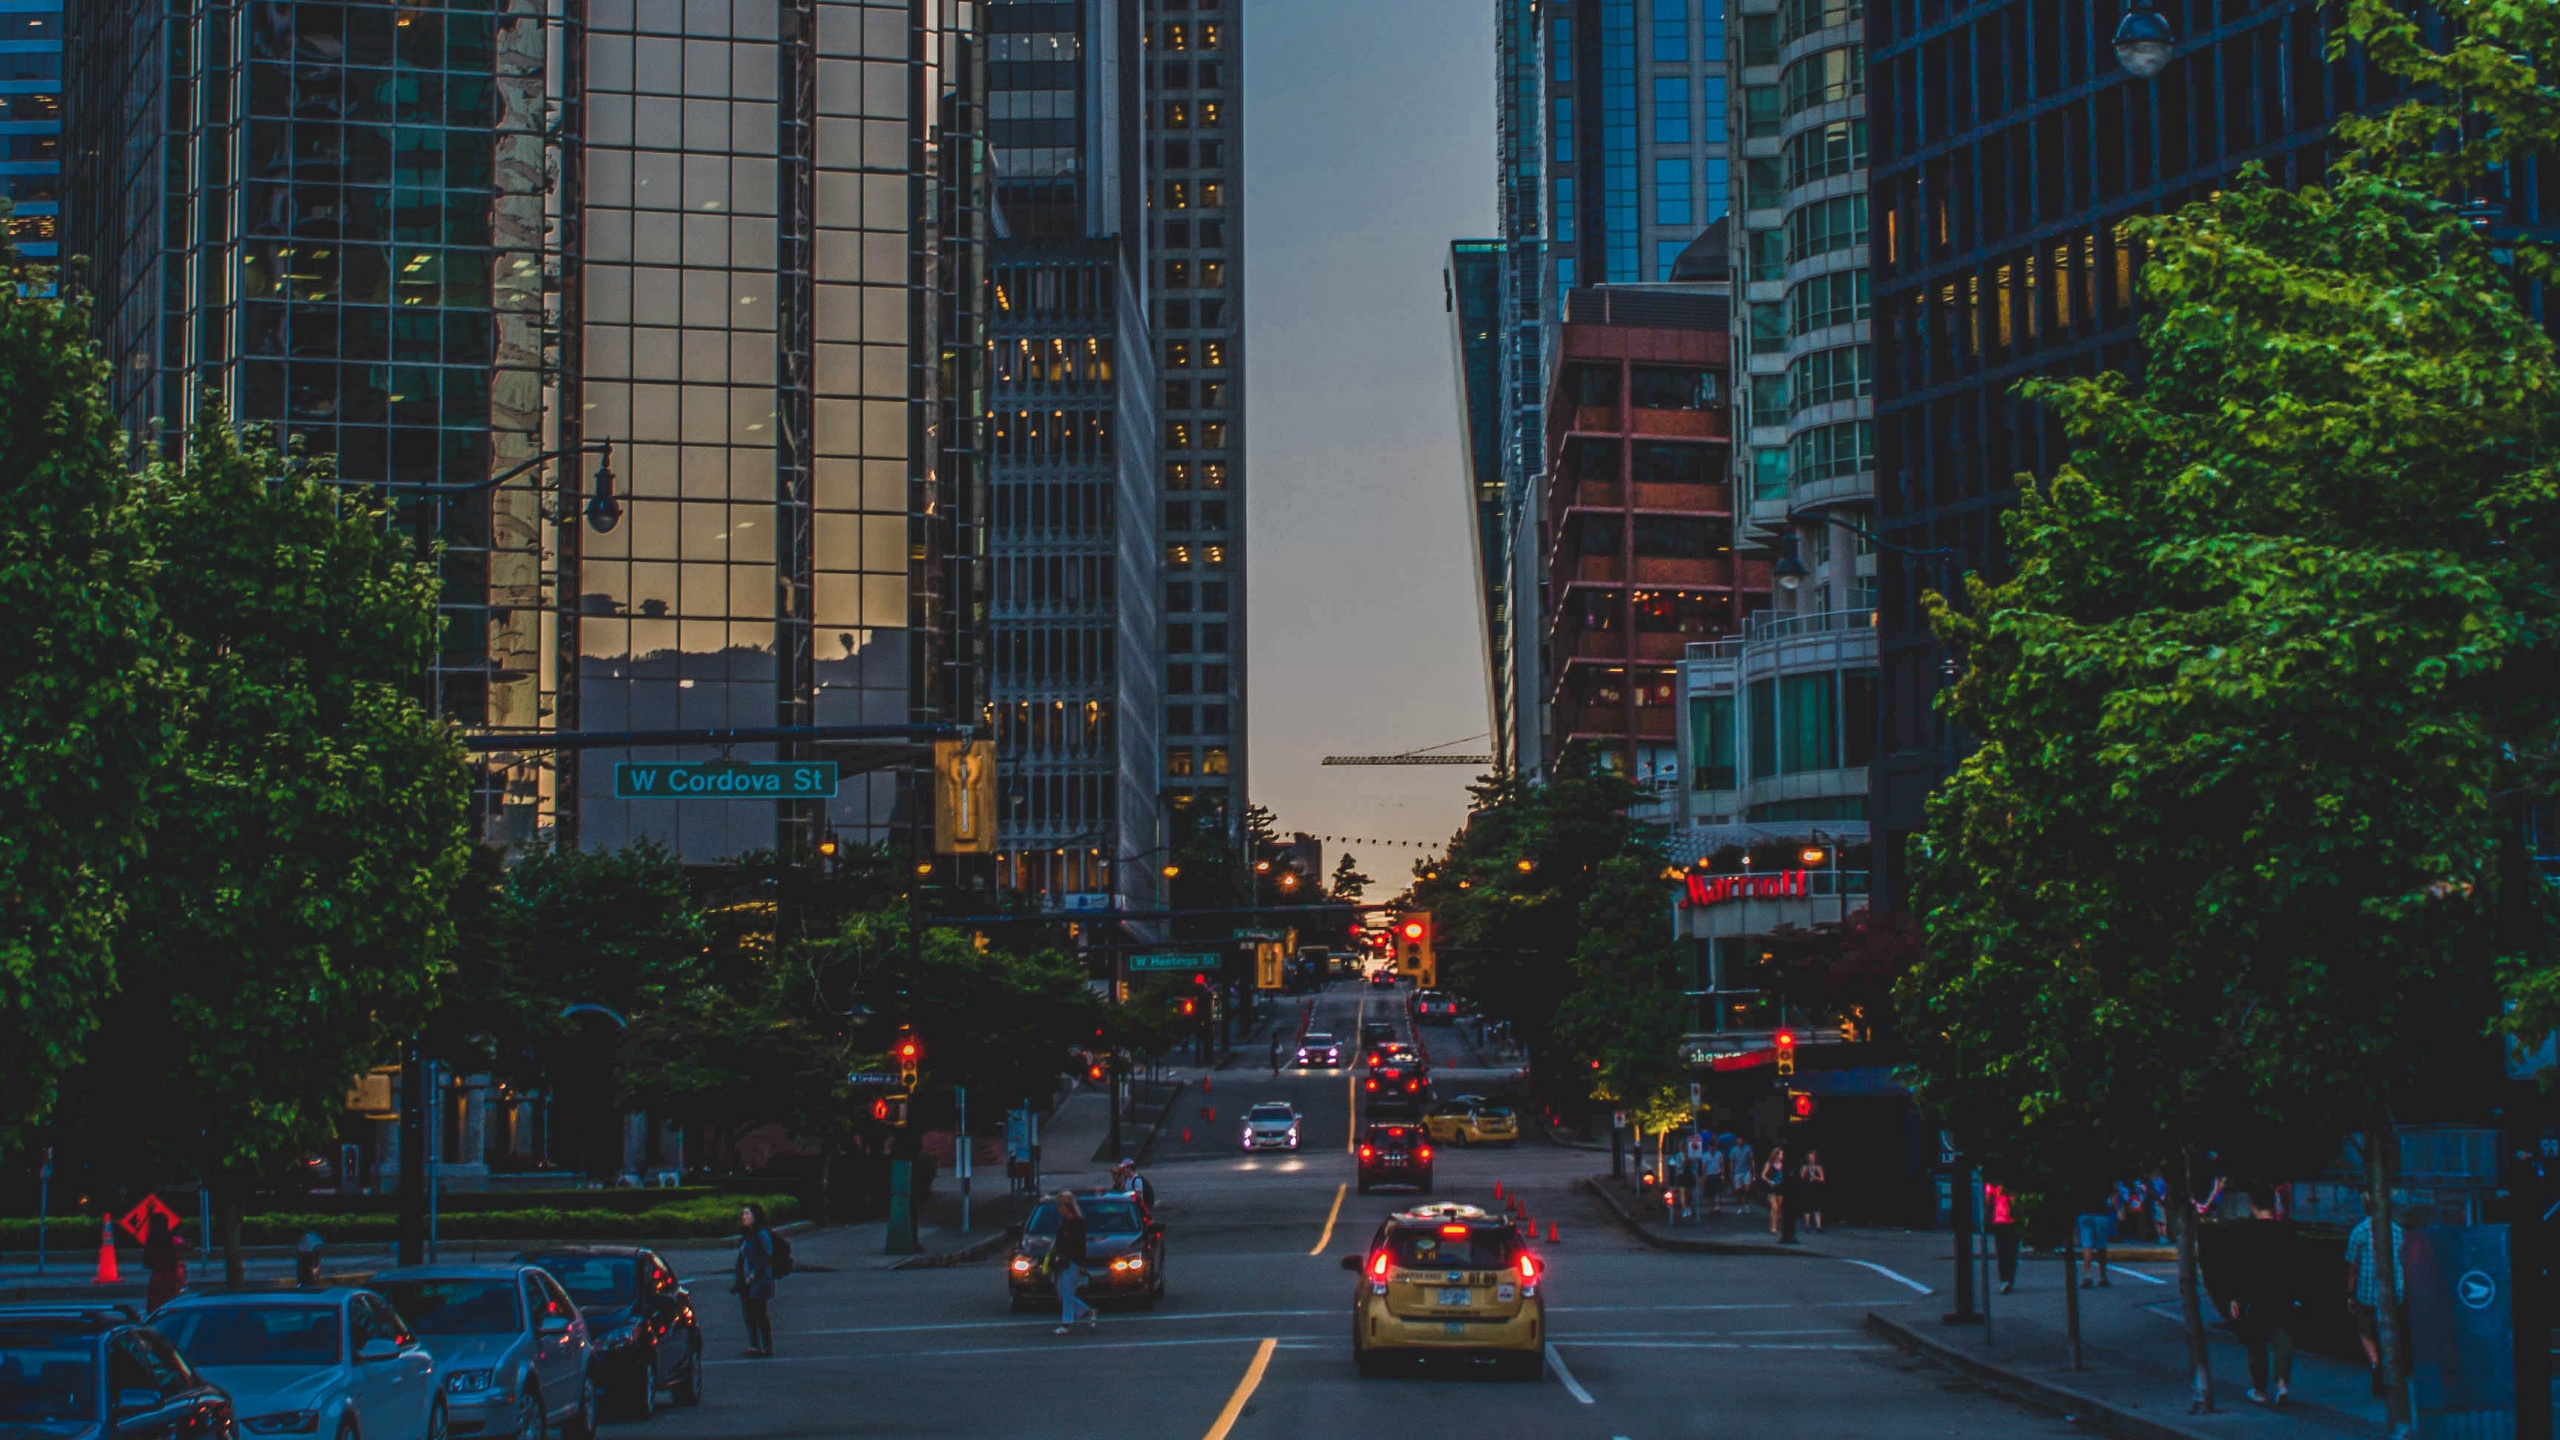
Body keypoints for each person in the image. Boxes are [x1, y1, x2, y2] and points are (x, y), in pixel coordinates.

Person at [2225, 1187, 2300, 1407]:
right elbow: (2297, 1266)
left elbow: (2239, 1268)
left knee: (2256, 1342)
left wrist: (2236, 1298)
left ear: (2252, 1206)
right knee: (2283, 1338)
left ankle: (2260, 1389)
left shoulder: (2245, 1233)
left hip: (2255, 1294)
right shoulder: (2286, 1231)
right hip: (2282, 1293)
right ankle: (2282, 1384)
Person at [2344, 1208, 2407, 1400]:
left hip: (2367, 1290)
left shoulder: (2359, 1231)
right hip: (2394, 1291)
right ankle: (2388, 1369)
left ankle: (2375, 1362)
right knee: (2389, 1331)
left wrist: (2350, 1293)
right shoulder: (2397, 1230)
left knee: (2365, 1331)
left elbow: (2352, 1265)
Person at [1050, 1191, 1099, 1335]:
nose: (1059, 1209)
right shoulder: (1064, 1222)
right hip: (1063, 1260)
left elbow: (1080, 1244)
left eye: (1061, 1206)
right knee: (1063, 1292)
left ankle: (1067, 1324)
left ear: (1068, 1206)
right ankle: (1088, 1311)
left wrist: (1082, 1263)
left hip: (1072, 1261)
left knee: (1067, 1292)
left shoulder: (1077, 1223)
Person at [733, 1203, 777, 1357]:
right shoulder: (746, 1236)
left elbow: (767, 1255)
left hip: (760, 1280)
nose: (744, 1217)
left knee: (760, 1312)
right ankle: (754, 1344)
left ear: (755, 1216)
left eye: (747, 1214)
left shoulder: (761, 1233)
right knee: (748, 1313)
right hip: (746, 1280)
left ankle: (767, 1345)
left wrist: (754, 1273)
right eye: (743, 1214)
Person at [2076, 1186, 2119, 1289]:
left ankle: (2087, 1275)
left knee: (2087, 1246)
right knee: (2101, 1246)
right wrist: (2117, 1209)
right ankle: (2102, 1276)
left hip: (2084, 1214)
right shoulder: (2104, 1179)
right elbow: (2114, 1196)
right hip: (2101, 1214)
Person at [143, 1213, 186, 1312]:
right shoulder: (173, 1241)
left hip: (157, 1276)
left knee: (156, 1306)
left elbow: (147, 1262)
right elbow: (187, 1246)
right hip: (172, 1276)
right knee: (173, 1305)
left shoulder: (151, 1242)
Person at [1986, 1182, 2020, 1293]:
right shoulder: (1994, 1184)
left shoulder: (1995, 1184)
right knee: (2007, 1251)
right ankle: (2006, 1279)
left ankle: (2006, 1279)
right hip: (2003, 1220)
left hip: (2005, 1219)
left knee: (2006, 1251)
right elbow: (1988, 1199)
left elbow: (1988, 1199)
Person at [1763, 1145, 1788, 1236]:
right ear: (1776, 1155)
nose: (1782, 1156)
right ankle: (1773, 1227)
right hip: (1772, 1187)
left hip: (1781, 1188)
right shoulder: (1769, 1164)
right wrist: (1769, 1181)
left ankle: (1777, 1224)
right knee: (1774, 1207)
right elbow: (1763, 1175)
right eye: (1780, 1154)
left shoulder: (1783, 1165)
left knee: (1779, 1208)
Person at [1802, 1150, 1828, 1232]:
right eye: (1809, 1157)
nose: (1811, 1159)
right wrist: (1805, 1174)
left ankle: (1818, 1226)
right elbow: (1801, 1176)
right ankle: (1807, 1225)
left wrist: (1815, 1177)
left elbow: (1822, 1178)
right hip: (1807, 1188)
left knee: (1817, 1208)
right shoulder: (1805, 1166)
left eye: (1812, 1157)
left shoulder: (1818, 1167)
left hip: (1816, 1188)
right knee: (1807, 1207)